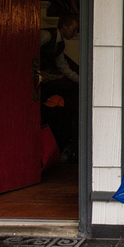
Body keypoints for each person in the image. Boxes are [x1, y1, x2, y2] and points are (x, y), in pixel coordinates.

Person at [40, 13, 79, 162]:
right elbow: (27, 50)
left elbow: (64, 68)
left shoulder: (60, 44)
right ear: (64, 26)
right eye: (73, 29)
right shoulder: (45, 36)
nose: (75, 33)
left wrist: (81, 81)